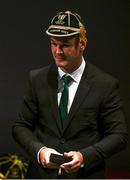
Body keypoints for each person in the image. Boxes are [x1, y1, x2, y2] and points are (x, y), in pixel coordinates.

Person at [12, 10, 128, 179]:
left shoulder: (105, 85)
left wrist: (84, 156)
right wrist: (40, 151)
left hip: (85, 175)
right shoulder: (37, 79)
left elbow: (119, 136)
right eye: (53, 43)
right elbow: (20, 126)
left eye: (65, 45)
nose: (57, 51)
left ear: (82, 44)